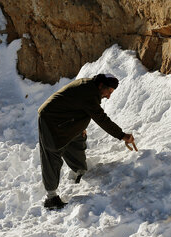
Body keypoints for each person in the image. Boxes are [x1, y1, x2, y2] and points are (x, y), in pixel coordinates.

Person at [38, 73, 135, 210]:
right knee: (52, 153)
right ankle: (51, 198)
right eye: (109, 92)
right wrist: (122, 136)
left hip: (67, 119)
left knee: (77, 139)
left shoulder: (90, 87)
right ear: (101, 85)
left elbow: (76, 106)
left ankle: (80, 171)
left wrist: (79, 126)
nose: (108, 96)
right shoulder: (88, 93)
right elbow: (101, 119)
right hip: (51, 120)